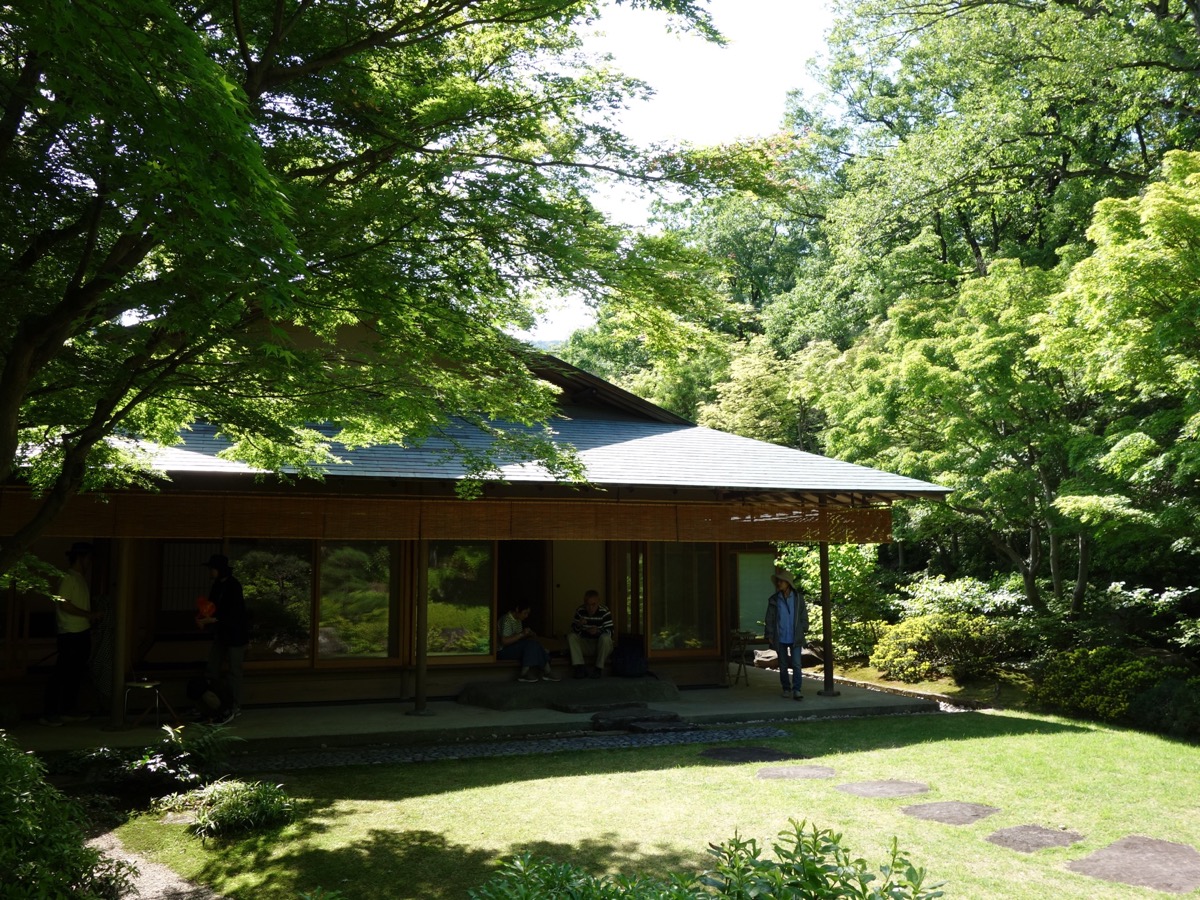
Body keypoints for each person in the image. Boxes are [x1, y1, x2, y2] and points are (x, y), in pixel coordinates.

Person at [40, 542, 101, 726]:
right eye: (88, 558)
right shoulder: (68, 577)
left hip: (80, 631)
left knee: (75, 673)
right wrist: (88, 615)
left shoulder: (79, 578)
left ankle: (68, 709)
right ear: (81, 558)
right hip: (70, 632)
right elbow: (63, 603)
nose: (90, 563)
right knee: (63, 672)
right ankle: (49, 712)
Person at [196, 553, 248, 722]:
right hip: (221, 633)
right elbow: (211, 607)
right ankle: (213, 704)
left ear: (219, 570)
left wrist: (214, 619)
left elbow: (236, 613)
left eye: (212, 569)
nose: (210, 572)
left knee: (234, 671)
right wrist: (202, 618)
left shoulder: (234, 586)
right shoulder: (217, 585)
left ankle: (233, 705)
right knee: (212, 668)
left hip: (235, 633)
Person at [764, 568, 808, 701]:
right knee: (783, 665)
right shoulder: (774, 600)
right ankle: (786, 688)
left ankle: (797, 689)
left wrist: (804, 628)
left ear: (788, 583)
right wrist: (770, 634)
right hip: (780, 636)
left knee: (796, 664)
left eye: (781, 581)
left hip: (795, 636)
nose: (779, 584)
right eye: (778, 582)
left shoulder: (798, 598)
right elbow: (769, 618)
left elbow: (803, 616)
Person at [497, 605, 559, 682]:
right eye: (525, 613)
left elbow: (517, 639)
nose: (526, 616)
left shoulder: (518, 620)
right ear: (517, 609)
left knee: (534, 643)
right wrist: (522, 634)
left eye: (528, 613)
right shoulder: (506, 619)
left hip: (513, 647)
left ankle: (547, 672)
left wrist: (528, 634)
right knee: (531, 644)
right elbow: (504, 641)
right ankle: (525, 674)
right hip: (503, 651)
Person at [568, 589, 613, 679]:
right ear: (584, 603)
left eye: (593, 605)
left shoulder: (605, 611)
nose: (590, 608)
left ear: (598, 603)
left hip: (600, 645)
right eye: (588, 605)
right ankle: (580, 667)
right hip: (585, 644)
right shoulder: (580, 611)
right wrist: (579, 625)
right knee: (571, 636)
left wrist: (598, 631)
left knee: (605, 638)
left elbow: (611, 632)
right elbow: (574, 631)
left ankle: (598, 668)